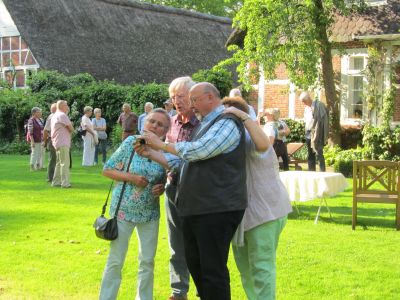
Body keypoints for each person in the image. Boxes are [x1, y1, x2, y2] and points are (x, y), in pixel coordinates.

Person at [139, 82, 247, 300]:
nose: (191, 104)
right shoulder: (206, 124)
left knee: (212, 269)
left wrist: (160, 146)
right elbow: (183, 162)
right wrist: (150, 153)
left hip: (216, 207)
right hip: (197, 207)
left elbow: (201, 150)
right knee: (197, 264)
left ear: (210, 97)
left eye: (194, 99)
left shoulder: (227, 122)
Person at [222, 97, 292, 300]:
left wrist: (242, 116)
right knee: (246, 271)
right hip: (240, 214)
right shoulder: (228, 139)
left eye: (228, 117)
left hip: (265, 213)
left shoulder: (255, 136)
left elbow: (263, 146)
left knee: (261, 268)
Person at [99, 108, 169, 300]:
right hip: (123, 211)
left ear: (165, 131)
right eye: (152, 121)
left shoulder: (165, 149)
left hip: (149, 214)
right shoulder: (131, 142)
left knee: (147, 261)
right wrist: (131, 178)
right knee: (116, 260)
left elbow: (165, 178)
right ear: (144, 123)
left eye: (160, 124)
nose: (154, 126)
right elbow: (107, 170)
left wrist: (161, 188)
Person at [165, 77, 199, 300]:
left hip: (198, 191)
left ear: (192, 97)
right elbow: (165, 154)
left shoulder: (204, 122)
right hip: (173, 187)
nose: (176, 100)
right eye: (173, 97)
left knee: (199, 241)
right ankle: (179, 291)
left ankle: (203, 288)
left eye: (181, 96)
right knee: (176, 242)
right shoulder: (171, 122)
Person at [299, 92, 329, 172]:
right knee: (310, 154)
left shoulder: (318, 106)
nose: (303, 103)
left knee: (319, 153)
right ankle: (311, 172)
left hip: (317, 132)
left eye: (304, 101)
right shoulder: (306, 108)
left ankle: (322, 173)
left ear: (308, 99)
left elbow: (323, 119)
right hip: (308, 133)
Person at [51, 100, 73, 188]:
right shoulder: (62, 115)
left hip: (57, 141)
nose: (67, 107)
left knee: (59, 163)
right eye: (66, 105)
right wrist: (71, 126)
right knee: (64, 163)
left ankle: (56, 182)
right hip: (63, 141)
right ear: (62, 106)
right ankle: (65, 183)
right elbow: (71, 128)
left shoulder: (55, 115)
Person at [43, 103, 57, 182]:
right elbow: (45, 130)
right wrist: (45, 142)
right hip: (52, 139)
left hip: (54, 139)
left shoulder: (55, 116)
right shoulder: (51, 117)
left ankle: (54, 177)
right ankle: (50, 177)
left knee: (55, 159)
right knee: (53, 159)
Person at [27, 107, 44, 171]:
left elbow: (42, 129)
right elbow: (30, 132)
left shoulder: (40, 120)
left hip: (40, 139)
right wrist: (32, 141)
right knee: (34, 152)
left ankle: (38, 165)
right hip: (35, 139)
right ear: (34, 113)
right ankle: (32, 166)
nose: (40, 113)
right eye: (38, 112)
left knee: (39, 153)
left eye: (40, 112)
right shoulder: (31, 120)